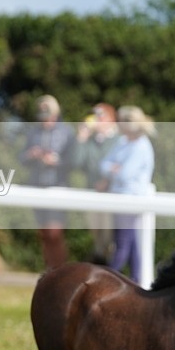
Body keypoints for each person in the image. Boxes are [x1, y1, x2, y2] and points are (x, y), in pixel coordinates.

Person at [99, 105, 155, 284]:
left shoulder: (141, 146)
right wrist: (114, 169)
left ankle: (107, 278)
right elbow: (103, 164)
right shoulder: (122, 142)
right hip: (118, 197)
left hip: (131, 200)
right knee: (130, 241)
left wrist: (113, 170)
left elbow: (125, 174)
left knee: (123, 241)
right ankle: (136, 279)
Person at [20, 94, 74, 268]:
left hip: (58, 186)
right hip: (37, 186)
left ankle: (61, 270)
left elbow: (74, 161)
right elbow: (21, 158)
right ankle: (50, 270)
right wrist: (31, 155)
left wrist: (56, 161)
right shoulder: (34, 132)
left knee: (54, 233)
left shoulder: (66, 132)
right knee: (43, 233)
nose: (45, 119)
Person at [69, 102, 121, 264]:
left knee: (109, 235)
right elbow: (76, 163)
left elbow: (119, 166)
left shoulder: (119, 140)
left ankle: (110, 266)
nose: (96, 119)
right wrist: (81, 139)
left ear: (111, 119)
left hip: (111, 193)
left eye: (101, 115)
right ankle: (101, 263)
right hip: (92, 191)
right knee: (96, 232)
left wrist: (106, 181)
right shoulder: (90, 140)